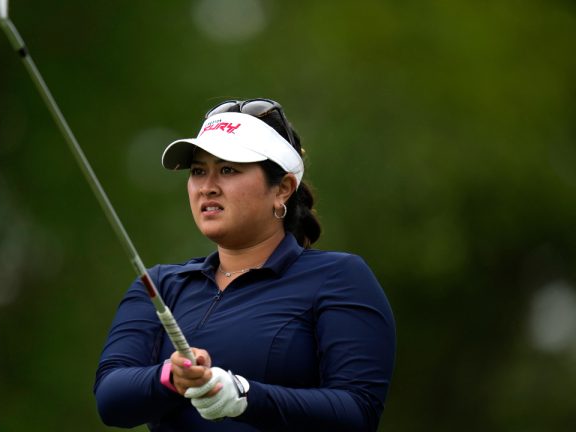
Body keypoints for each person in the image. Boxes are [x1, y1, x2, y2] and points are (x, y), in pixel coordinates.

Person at [94, 98, 396, 431]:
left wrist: (244, 395)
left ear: (282, 189)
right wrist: (170, 377)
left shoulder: (339, 277)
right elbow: (111, 399)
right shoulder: (161, 285)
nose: (207, 187)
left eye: (228, 169)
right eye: (198, 171)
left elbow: (356, 413)